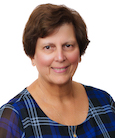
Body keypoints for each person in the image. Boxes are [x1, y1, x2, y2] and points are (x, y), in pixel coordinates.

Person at [0, 3, 115, 138]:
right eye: (48, 47)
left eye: (68, 45)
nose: (60, 57)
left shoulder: (104, 102)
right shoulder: (14, 117)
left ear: (79, 52)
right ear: (32, 55)